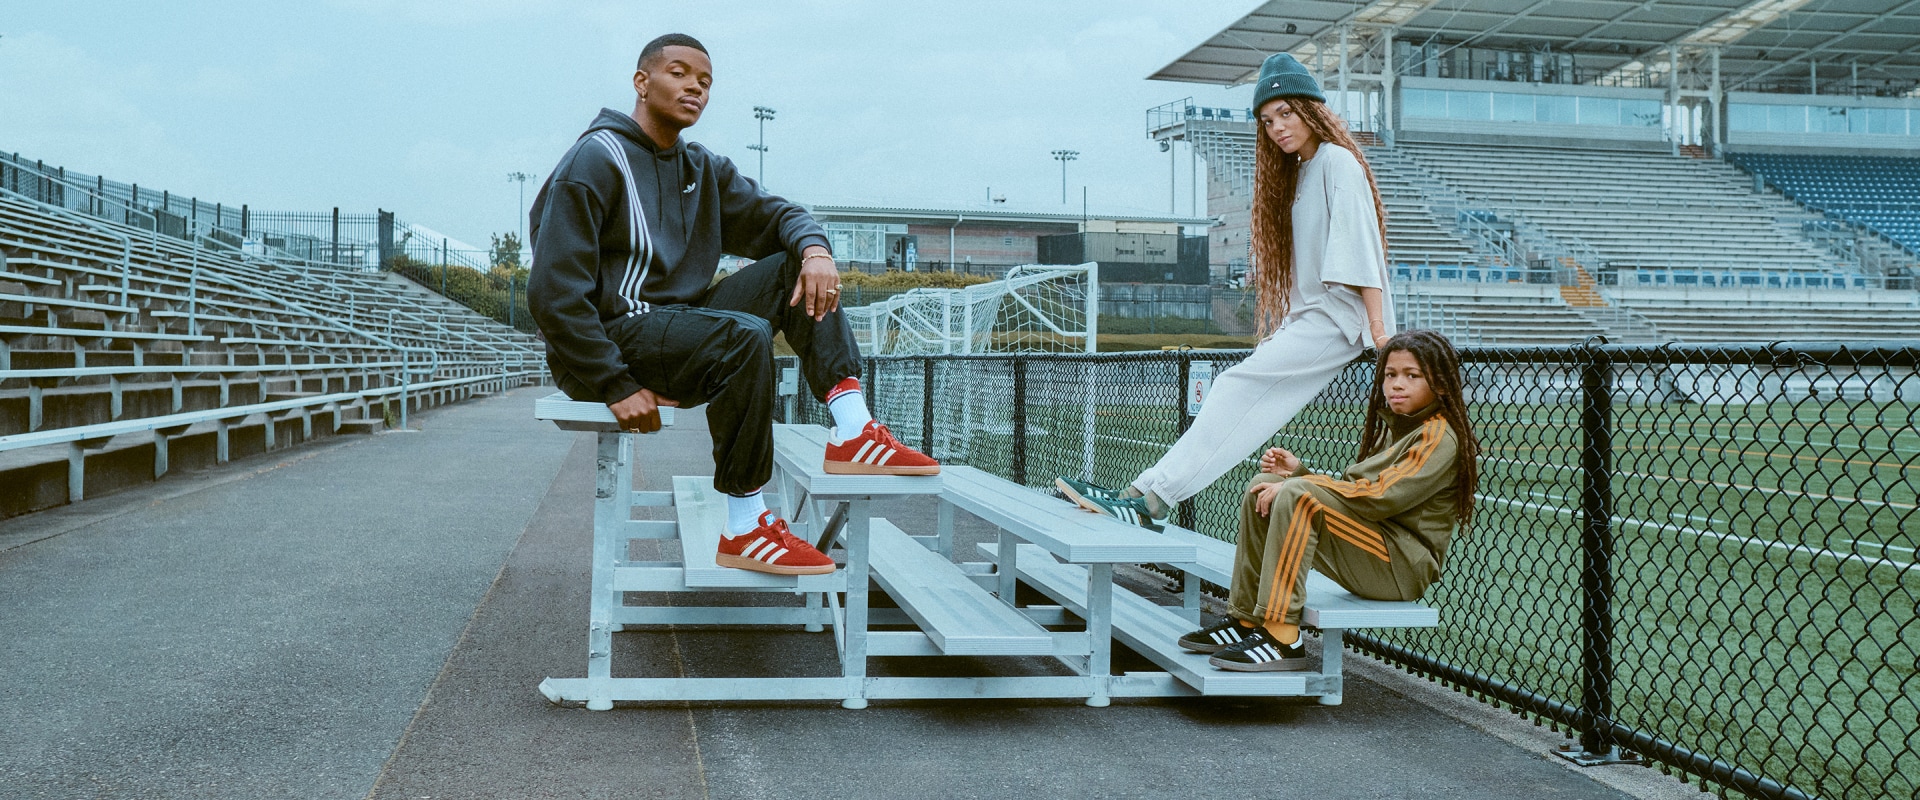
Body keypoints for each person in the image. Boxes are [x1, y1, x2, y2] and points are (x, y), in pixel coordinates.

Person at [528, 33, 938, 577]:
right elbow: (551, 293)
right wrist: (613, 382)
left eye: (705, 81)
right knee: (741, 334)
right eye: (679, 73)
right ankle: (745, 525)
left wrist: (815, 250)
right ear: (641, 81)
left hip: (680, 328)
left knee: (795, 263)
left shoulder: (700, 167)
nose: (695, 86)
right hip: (612, 339)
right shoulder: (596, 159)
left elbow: (779, 214)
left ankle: (853, 428)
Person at [1056, 52, 1395, 530]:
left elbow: (1362, 252)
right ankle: (1141, 492)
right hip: (1312, 318)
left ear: (1311, 108)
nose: (1278, 126)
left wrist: (1380, 333)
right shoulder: (1301, 171)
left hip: (1341, 319)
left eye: (1286, 112)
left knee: (1233, 387)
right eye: (1267, 120)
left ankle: (1153, 499)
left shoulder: (1339, 162)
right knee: (1243, 402)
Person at [1180, 330, 1479, 671]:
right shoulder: (1401, 428)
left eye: (1413, 376)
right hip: (1374, 547)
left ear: (1440, 385)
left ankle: (1282, 637)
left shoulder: (1438, 437)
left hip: (1400, 566)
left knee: (1297, 495)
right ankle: (1246, 621)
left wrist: (1303, 486)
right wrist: (1299, 475)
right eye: (1390, 375)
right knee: (1263, 485)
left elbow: (1380, 498)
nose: (1397, 385)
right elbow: (1357, 495)